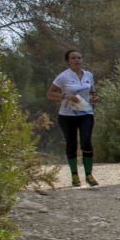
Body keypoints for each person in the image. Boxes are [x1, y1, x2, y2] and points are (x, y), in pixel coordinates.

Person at [46, 50, 100, 187]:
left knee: (86, 141)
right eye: (74, 58)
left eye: (79, 58)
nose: (77, 60)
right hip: (67, 115)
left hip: (86, 113)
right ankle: (74, 175)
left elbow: (92, 90)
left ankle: (89, 175)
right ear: (67, 61)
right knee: (71, 144)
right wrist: (66, 96)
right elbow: (50, 94)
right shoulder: (63, 76)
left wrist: (95, 96)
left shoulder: (88, 75)